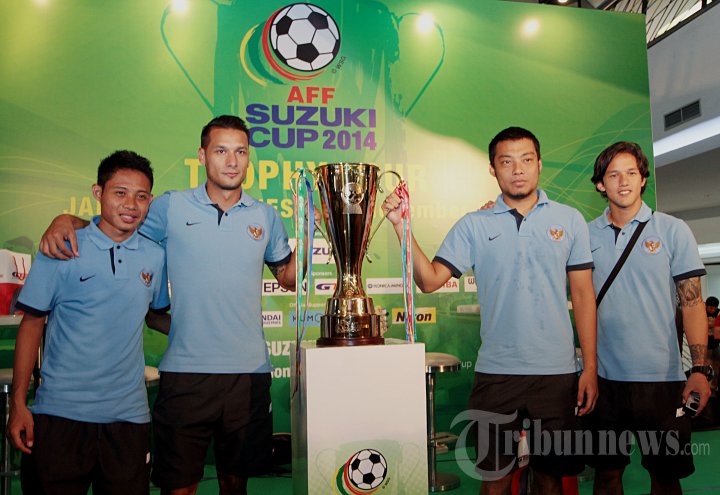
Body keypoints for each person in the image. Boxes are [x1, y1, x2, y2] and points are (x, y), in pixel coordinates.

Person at [37, 116, 310, 495]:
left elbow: (288, 278)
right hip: (185, 373)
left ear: (249, 158)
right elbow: (117, 226)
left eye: (241, 152)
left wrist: (311, 231)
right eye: (221, 151)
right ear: (202, 156)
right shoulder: (171, 206)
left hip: (248, 373)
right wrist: (65, 219)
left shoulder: (265, 215)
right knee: (179, 486)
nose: (232, 161)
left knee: (236, 484)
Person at [383, 126, 598, 495]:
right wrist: (402, 226)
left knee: (550, 478)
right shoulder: (474, 224)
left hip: (556, 373)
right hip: (497, 373)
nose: (518, 169)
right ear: (492, 169)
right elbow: (429, 280)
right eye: (507, 162)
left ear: (539, 164)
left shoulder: (570, 219)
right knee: (494, 479)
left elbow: (582, 295)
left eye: (526, 159)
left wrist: (590, 367)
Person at [7, 150, 170, 494]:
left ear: (150, 200)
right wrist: (18, 403)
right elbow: (32, 325)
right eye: (120, 193)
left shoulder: (155, 256)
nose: (131, 205)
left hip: (128, 420)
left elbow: (157, 315)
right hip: (60, 415)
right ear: (98, 192)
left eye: (141, 196)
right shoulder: (61, 245)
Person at [585, 142, 712, 495]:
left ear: (643, 179)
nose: (623, 181)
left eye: (631, 173)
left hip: (662, 382)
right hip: (605, 382)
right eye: (613, 174)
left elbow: (692, 304)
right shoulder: (584, 234)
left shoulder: (673, 230)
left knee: (665, 478)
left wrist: (699, 370)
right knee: (606, 476)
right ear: (601, 184)